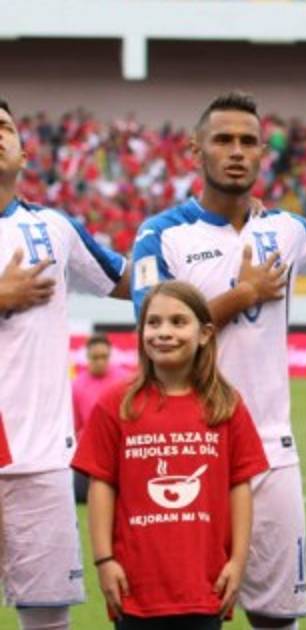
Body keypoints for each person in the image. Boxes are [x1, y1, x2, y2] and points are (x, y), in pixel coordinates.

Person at [131, 92, 306, 630]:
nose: (236, 151)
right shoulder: (162, 235)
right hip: (189, 448)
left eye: (248, 142)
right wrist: (244, 294)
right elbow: (155, 331)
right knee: (185, 614)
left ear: (261, 154)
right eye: (223, 140)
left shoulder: (287, 230)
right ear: (195, 151)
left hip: (271, 448)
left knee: (277, 616)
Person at [0, 96, 131, 630]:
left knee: (48, 616)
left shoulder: (54, 227)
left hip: (41, 459)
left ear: (25, 153)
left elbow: (129, 280)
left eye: (4, 126)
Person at [72, 280, 268, 630]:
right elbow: (102, 486)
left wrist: (238, 562)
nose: (164, 332)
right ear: (141, 332)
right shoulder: (116, 404)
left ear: (205, 334)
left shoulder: (227, 405)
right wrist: (104, 560)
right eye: (154, 322)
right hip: (134, 587)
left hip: (205, 585)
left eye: (178, 322)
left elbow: (239, 487)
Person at [73, 333, 132, 502]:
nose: (100, 361)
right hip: (90, 452)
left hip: (120, 449)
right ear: (87, 356)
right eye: (95, 357)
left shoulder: (126, 381)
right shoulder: (76, 385)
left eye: (104, 357)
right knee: (83, 498)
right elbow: (75, 424)